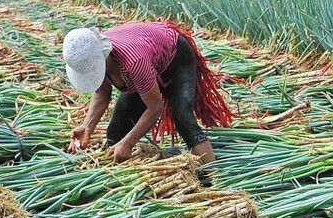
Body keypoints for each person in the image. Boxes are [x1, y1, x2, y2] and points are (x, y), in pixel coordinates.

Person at [62, 21, 233, 165]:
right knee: (116, 130)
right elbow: (101, 93)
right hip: (144, 59)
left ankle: (211, 179)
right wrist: (87, 127)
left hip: (175, 57)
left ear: (104, 58)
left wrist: (128, 143)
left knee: (183, 119)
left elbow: (155, 107)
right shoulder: (92, 53)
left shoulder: (134, 63)